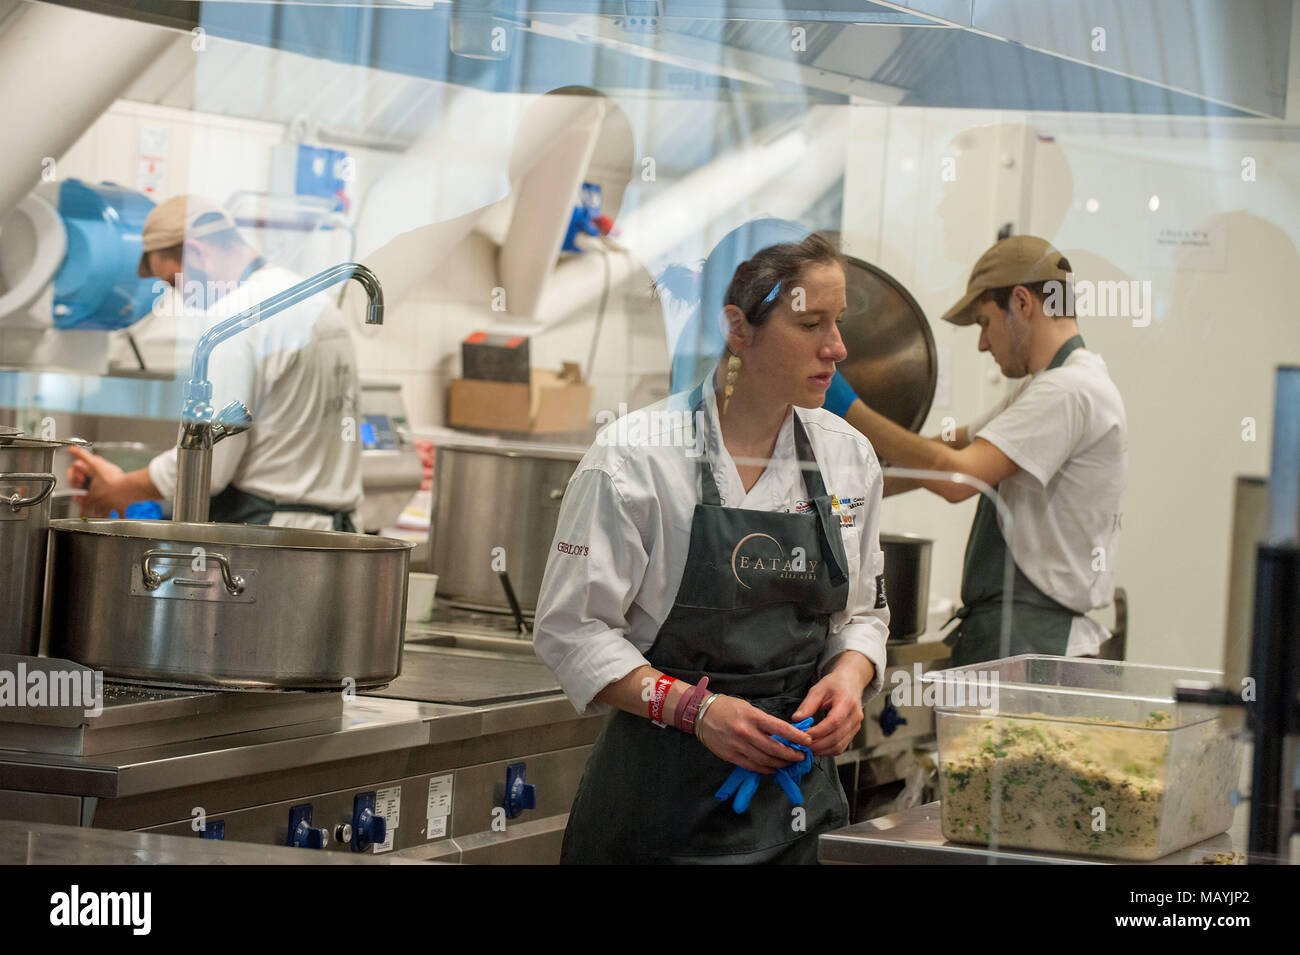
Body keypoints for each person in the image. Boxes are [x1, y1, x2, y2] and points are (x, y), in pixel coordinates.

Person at [533, 233, 889, 864]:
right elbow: (573, 631)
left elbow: (861, 614)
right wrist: (696, 710)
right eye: (810, 324)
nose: (836, 348)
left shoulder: (848, 457)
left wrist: (849, 676)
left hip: (796, 803)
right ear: (738, 328)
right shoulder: (636, 459)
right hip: (660, 805)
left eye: (837, 324)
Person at [824, 235, 1127, 665]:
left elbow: (955, 477)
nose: (983, 344)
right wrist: (844, 487)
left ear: (1022, 303)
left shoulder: (1066, 391)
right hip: (1018, 634)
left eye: (985, 322)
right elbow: (952, 445)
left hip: (1032, 643)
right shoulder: (1047, 387)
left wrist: (851, 409)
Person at [67, 195, 363, 530]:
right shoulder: (310, 298)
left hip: (270, 539)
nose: (181, 298)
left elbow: (206, 464)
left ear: (197, 253)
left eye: (171, 282)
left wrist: (121, 488)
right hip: (334, 534)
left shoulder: (234, 318)